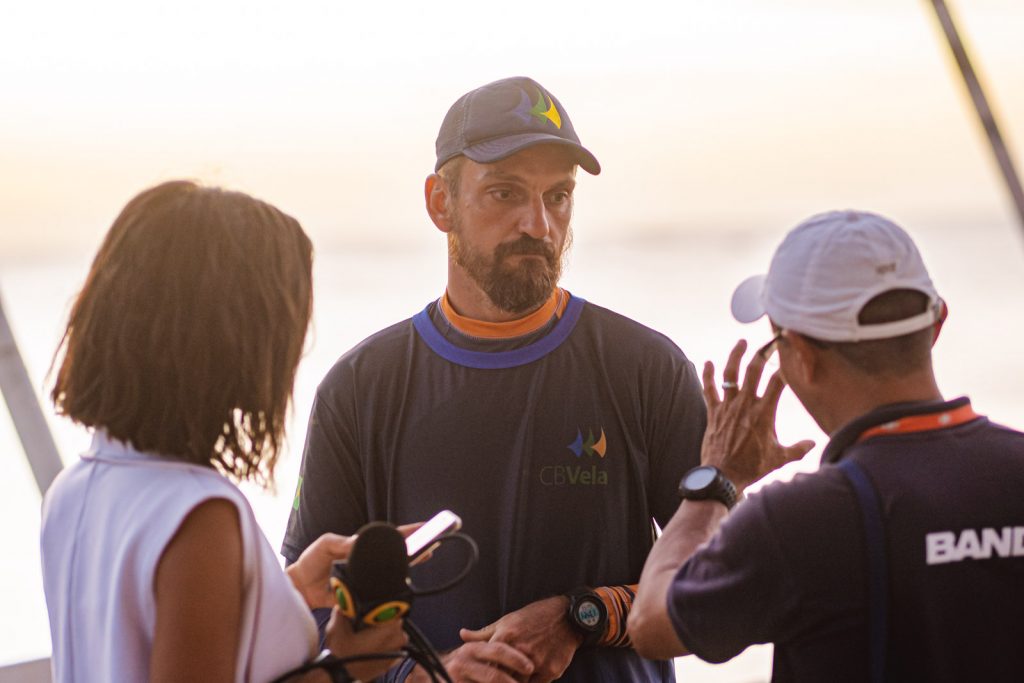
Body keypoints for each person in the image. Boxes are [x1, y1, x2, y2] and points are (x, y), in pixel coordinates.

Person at [282, 76, 706, 682]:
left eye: (558, 197)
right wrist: (429, 676)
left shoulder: (647, 370)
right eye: (505, 193)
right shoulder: (358, 388)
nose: (537, 224)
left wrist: (580, 615)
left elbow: (717, 590)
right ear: (440, 202)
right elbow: (309, 614)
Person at [629, 210, 1024, 682]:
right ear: (937, 323)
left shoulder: (802, 521)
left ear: (804, 356)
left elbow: (651, 623)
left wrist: (718, 477)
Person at [40, 181, 407, 682]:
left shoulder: (74, 488)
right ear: (237, 340)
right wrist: (346, 664)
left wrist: (284, 593)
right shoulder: (200, 515)